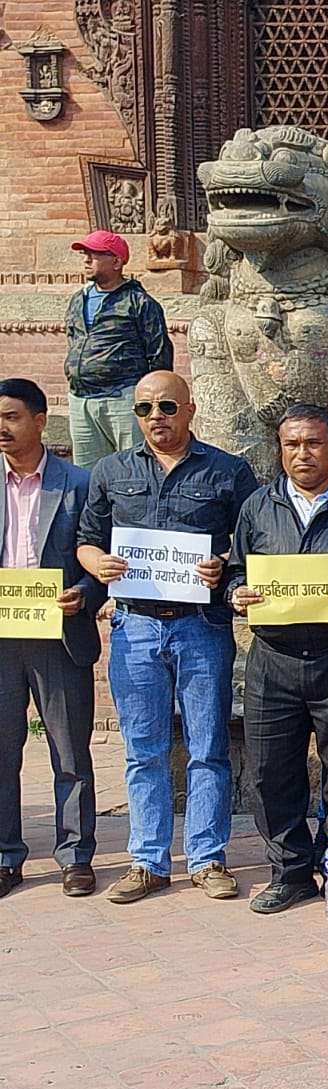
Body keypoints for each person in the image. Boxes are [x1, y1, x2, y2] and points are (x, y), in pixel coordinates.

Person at [76, 371, 259, 904]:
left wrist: (224, 564)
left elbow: (254, 541)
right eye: (144, 408)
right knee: (143, 749)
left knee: (208, 747)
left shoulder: (228, 470)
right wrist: (98, 564)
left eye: (167, 407)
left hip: (202, 625)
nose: (156, 417)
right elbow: (87, 540)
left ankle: (207, 859)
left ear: (189, 409)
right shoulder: (111, 470)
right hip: (134, 626)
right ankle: (148, 861)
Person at [225, 405, 328, 915]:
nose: (302, 454)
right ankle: (290, 872)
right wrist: (236, 592)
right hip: (272, 659)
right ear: (280, 449)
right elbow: (235, 571)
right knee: (270, 773)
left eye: (313, 443)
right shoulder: (257, 508)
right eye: (292, 445)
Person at [0, 378, 104, 900]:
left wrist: (84, 593)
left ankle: (75, 856)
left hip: (59, 634)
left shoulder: (78, 483)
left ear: (40, 420)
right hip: (2, 638)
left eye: (11, 416)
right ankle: (5, 856)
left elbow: (99, 556)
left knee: (70, 753)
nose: (2, 427)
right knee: (2, 752)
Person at [64, 230, 173, 470]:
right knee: (87, 476)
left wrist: (152, 402)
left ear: (116, 261)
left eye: (94, 254)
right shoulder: (78, 300)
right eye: (85, 254)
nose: (86, 260)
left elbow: (159, 354)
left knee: (133, 470)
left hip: (123, 399)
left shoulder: (139, 303)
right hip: (81, 400)